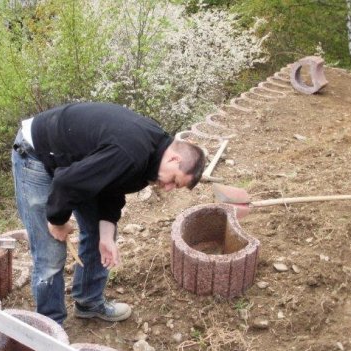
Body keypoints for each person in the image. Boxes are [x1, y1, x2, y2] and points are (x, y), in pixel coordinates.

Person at [11, 102, 205, 325]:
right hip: (36, 153)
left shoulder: (153, 155)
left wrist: (105, 236)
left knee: (99, 232)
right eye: (174, 181)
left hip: (76, 162)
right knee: (50, 253)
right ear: (174, 159)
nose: (168, 188)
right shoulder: (132, 152)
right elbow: (67, 183)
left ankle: (89, 302)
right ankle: (50, 327)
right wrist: (57, 220)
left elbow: (112, 185)